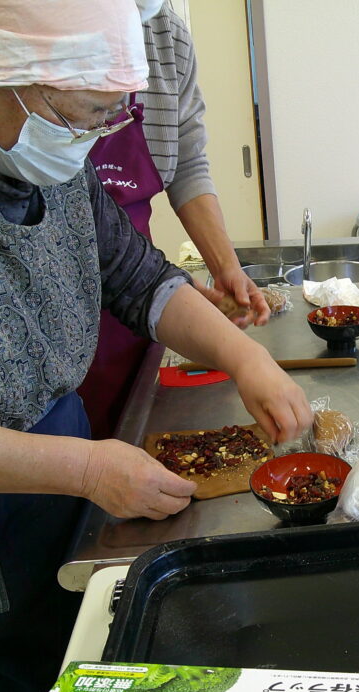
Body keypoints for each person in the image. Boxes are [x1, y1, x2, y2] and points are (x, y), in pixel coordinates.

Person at [0, 2, 312, 692]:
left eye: (105, 118)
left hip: (61, 466)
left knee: (70, 682)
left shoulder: (35, 152)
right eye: (78, 116)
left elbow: (140, 280)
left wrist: (246, 359)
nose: (87, 138)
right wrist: (83, 468)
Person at [79, 1, 270, 439]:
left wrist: (224, 269)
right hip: (60, 304)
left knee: (129, 426)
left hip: (132, 287)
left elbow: (187, 160)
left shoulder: (167, 36)